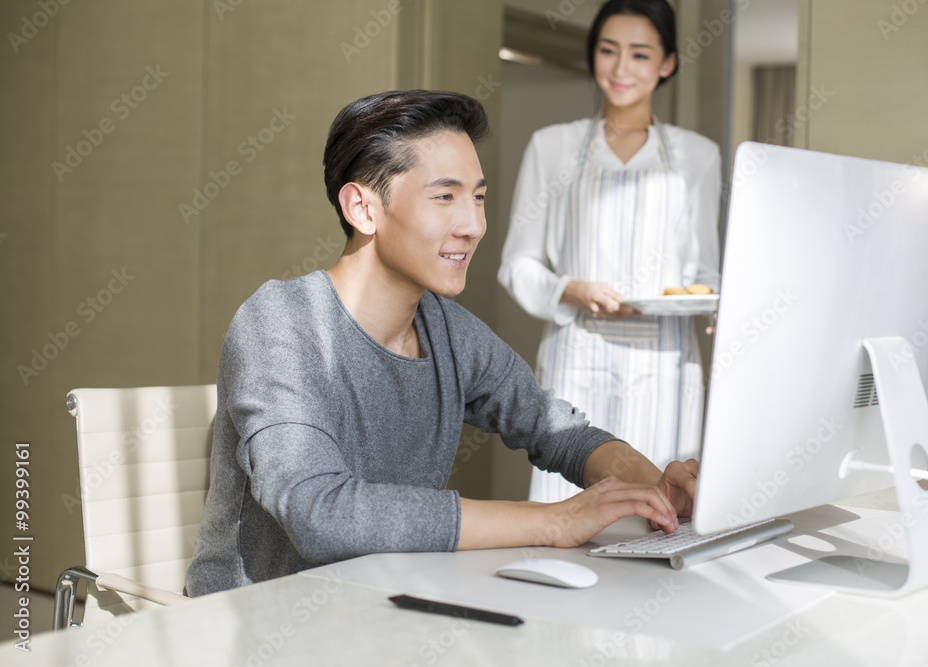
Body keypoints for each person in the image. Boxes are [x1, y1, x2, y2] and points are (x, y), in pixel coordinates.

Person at [186, 89, 698, 596]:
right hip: (257, 626)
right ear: (363, 208)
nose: (474, 225)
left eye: (477, 197)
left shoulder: (448, 330)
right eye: (445, 196)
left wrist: (655, 488)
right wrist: (553, 522)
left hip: (384, 612)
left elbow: (556, 430)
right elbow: (321, 513)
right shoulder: (282, 324)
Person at [497, 0, 721, 503]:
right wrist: (570, 288)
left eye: (640, 54)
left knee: (662, 504)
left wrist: (715, 302)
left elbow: (706, 269)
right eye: (608, 50)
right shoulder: (550, 146)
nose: (621, 68)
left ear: (666, 64)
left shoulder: (697, 157)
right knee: (566, 507)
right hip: (579, 356)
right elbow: (517, 263)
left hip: (666, 365)